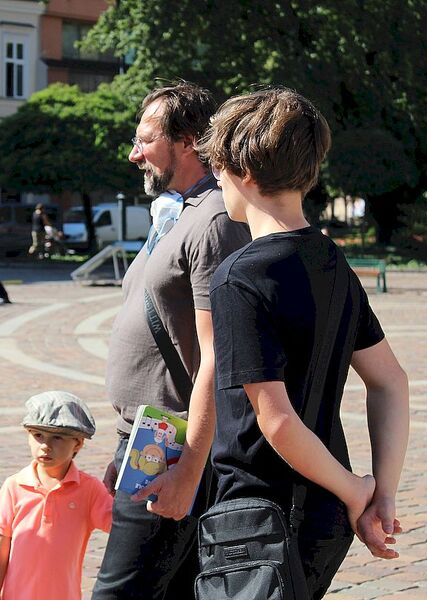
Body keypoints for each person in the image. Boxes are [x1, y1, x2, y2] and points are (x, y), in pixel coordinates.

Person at [201, 87, 409, 597]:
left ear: (244, 170)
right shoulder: (331, 261)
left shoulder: (239, 277)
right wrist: (381, 493)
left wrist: (357, 489)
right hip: (324, 517)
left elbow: (275, 421)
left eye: (219, 166)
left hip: (259, 520)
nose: (216, 179)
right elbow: (391, 382)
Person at [92, 82, 251, 599]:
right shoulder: (178, 212)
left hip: (172, 447)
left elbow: (218, 357)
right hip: (148, 439)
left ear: (187, 142)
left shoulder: (214, 220)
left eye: (145, 141)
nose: (134, 154)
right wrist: (127, 442)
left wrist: (187, 473)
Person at [0, 391, 112, 600]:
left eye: (57, 437)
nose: (45, 446)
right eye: (38, 435)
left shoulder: (89, 489)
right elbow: (0, 547)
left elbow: (119, 525)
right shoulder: (14, 486)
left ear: (78, 443)